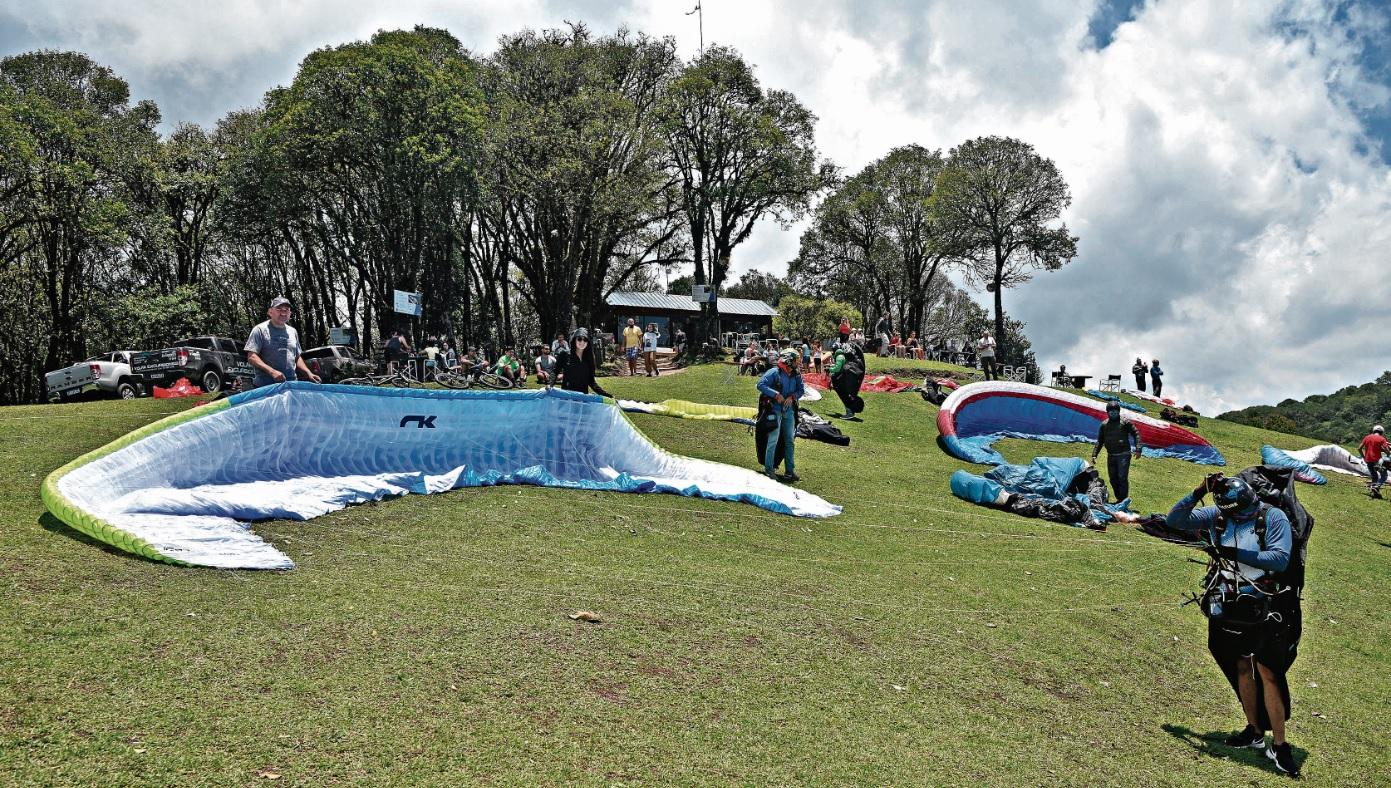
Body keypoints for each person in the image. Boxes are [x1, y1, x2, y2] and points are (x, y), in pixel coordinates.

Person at [1166, 475, 1300, 777]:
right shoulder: (1219, 515)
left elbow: (1279, 559)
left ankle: (1280, 745)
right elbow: (1176, 520)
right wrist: (1200, 490)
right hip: (1231, 602)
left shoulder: (1272, 517)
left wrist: (1232, 553)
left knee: (1268, 671)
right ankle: (1254, 730)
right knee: (1240, 664)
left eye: (1251, 506)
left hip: (1266, 602)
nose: (1250, 512)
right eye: (1242, 511)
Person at [245, 297, 320, 388]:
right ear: (270, 312)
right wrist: (272, 371)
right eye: (279, 309)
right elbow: (252, 357)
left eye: (287, 309)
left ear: (290, 313)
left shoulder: (293, 331)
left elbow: (297, 357)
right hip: (266, 387)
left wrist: (308, 373)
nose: (283, 312)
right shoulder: (259, 329)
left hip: (290, 385)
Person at [757, 349, 806, 481]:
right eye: (796, 360)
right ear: (789, 360)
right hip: (774, 410)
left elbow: (801, 390)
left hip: (788, 411)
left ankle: (789, 471)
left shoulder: (796, 374)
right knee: (773, 439)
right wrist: (775, 394)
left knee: (789, 441)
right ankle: (769, 470)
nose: (799, 362)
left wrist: (793, 396)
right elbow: (760, 385)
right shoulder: (774, 372)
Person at [1090, 401, 1142, 501]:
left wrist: (1138, 448)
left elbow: (1136, 433)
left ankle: (1122, 500)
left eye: (1115, 411)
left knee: (1122, 477)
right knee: (1113, 479)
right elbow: (1100, 441)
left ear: (1118, 412)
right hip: (1111, 455)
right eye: (1111, 411)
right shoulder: (1104, 425)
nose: (1113, 413)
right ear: (1107, 413)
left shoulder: (1125, 422)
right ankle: (1120, 499)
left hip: (1124, 454)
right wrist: (1094, 455)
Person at [560, 329, 611, 397]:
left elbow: (591, 382)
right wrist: (550, 385)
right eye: (579, 339)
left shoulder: (589, 359)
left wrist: (606, 395)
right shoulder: (565, 355)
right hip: (566, 396)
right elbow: (555, 371)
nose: (582, 342)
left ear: (588, 342)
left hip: (582, 398)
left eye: (585, 340)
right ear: (574, 340)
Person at [828, 338, 866, 420]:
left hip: (842, 381)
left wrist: (829, 369)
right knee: (844, 394)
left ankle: (850, 412)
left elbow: (838, 368)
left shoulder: (839, 356)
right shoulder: (842, 356)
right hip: (843, 379)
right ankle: (850, 410)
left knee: (844, 395)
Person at [1359, 424, 1389, 498]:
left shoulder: (1367, 437)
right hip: (1377, 461)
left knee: (1374, 476)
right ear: (1381, 432)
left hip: (1368, 460)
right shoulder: (1382, 439)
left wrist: (1364, 457)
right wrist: (1388, 453)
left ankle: (1375, 492)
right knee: (1384, 476)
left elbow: (1359, 448)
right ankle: (1376, 486)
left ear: (1373, 431)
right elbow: (1387, 451)